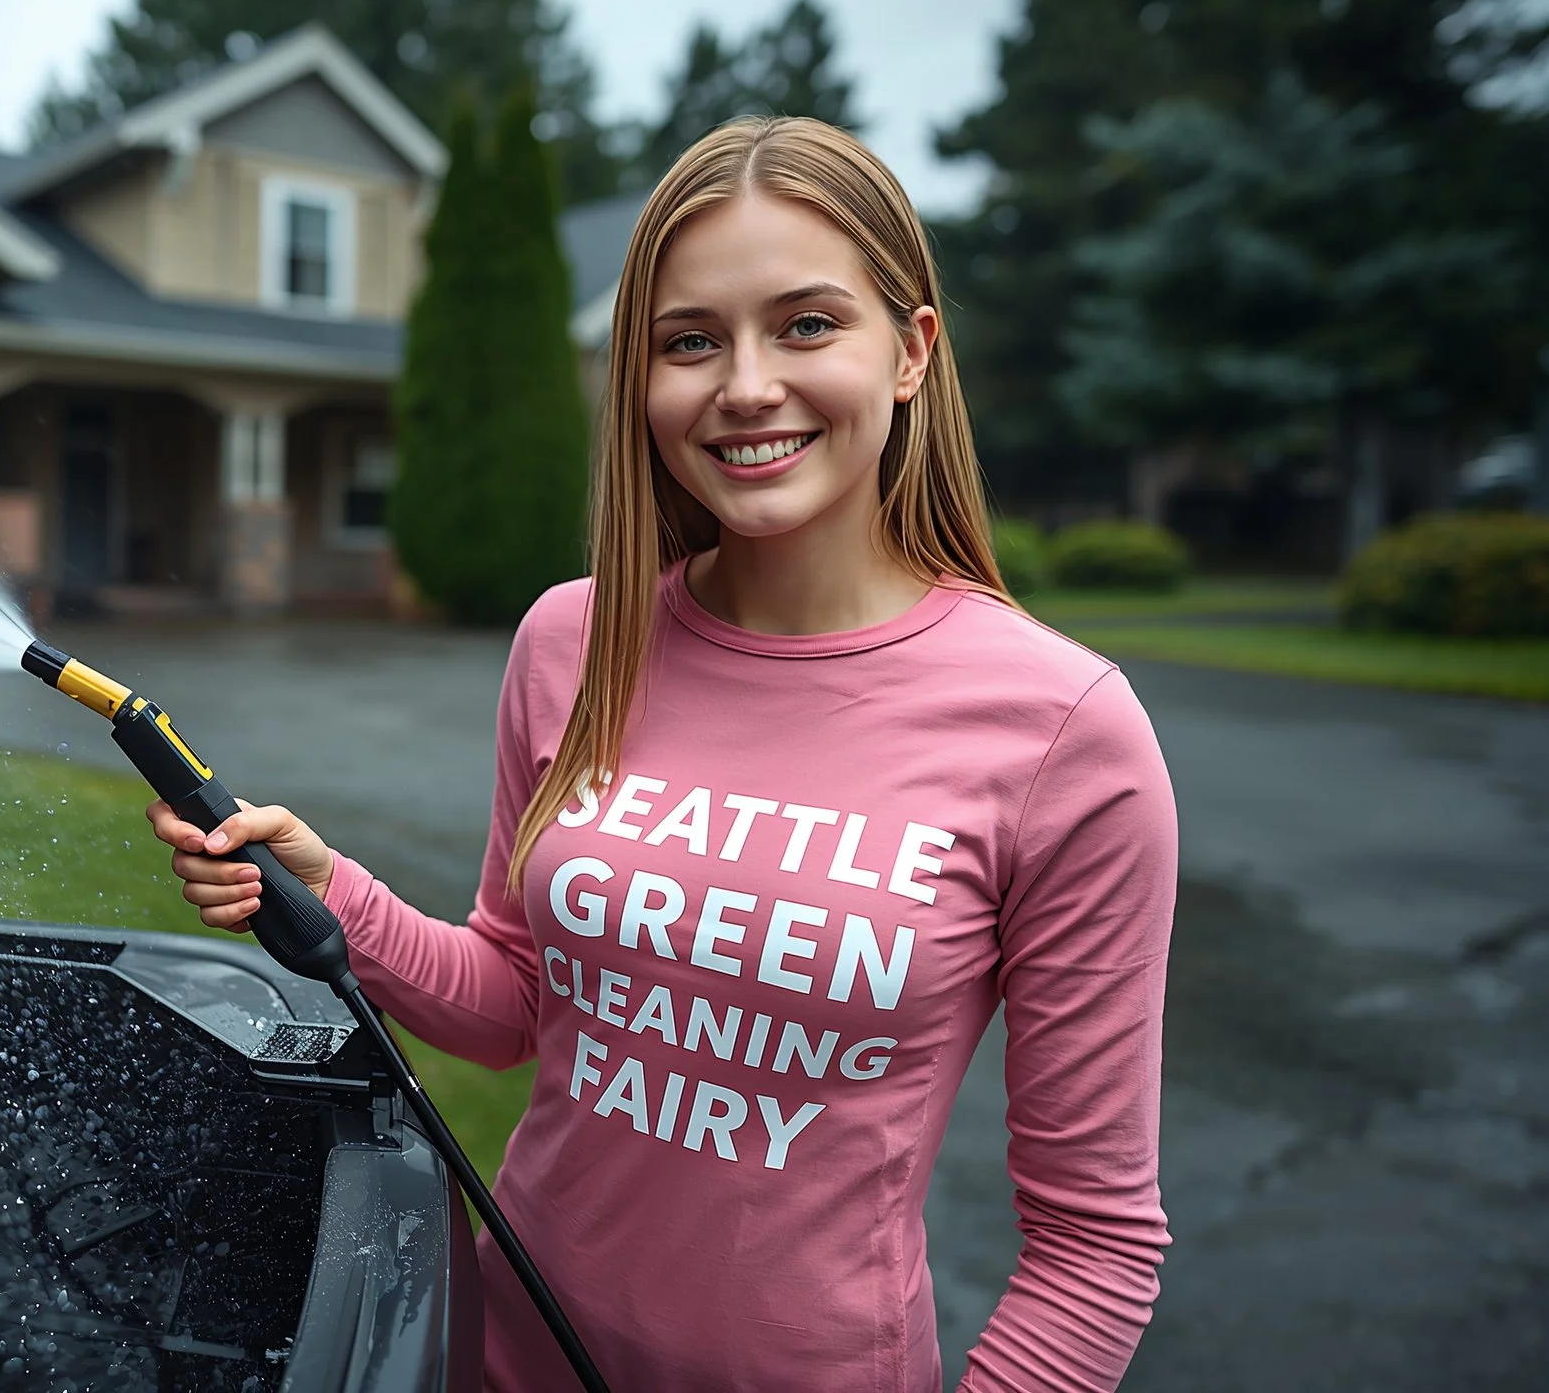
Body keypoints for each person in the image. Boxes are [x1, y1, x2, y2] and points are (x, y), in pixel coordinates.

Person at [151, 116, 1174, 1392]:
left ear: (909, 351)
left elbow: (1095, 1241)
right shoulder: (573, 638)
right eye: (691, 340)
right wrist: (329, 885)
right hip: (493, 1352)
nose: (745, 384)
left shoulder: (1063, 729)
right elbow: (516, 1003)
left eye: (806, 324)